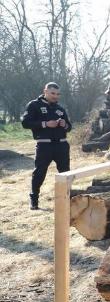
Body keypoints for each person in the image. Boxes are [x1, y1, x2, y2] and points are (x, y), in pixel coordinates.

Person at [21, 82, 72, 210]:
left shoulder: (60, 108)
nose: (55, 96)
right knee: (39, 172)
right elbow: (25, 123)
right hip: (44, 145)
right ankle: (34, 199)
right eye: (52, 93)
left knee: (66, 173)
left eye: (57, 94)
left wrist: (64, 124)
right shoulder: (34, 105)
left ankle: (68, 199)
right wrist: (45, 124)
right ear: (45, 91)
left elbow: (69, 127)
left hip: (61, 145)